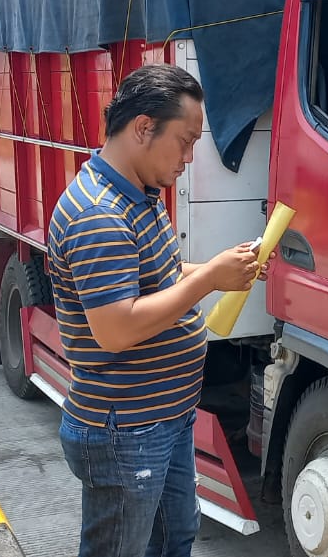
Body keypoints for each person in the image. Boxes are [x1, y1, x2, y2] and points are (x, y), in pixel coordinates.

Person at [48, 63, 265, 557]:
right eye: (184, 142)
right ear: (144, 127)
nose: (189, 158)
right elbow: (116, 328)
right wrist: (209, 280)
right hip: (127, 429)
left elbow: (159, 273)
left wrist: (220, 268)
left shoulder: (139, 194)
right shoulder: (99, 215)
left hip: (162, 417)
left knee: (173, 539)